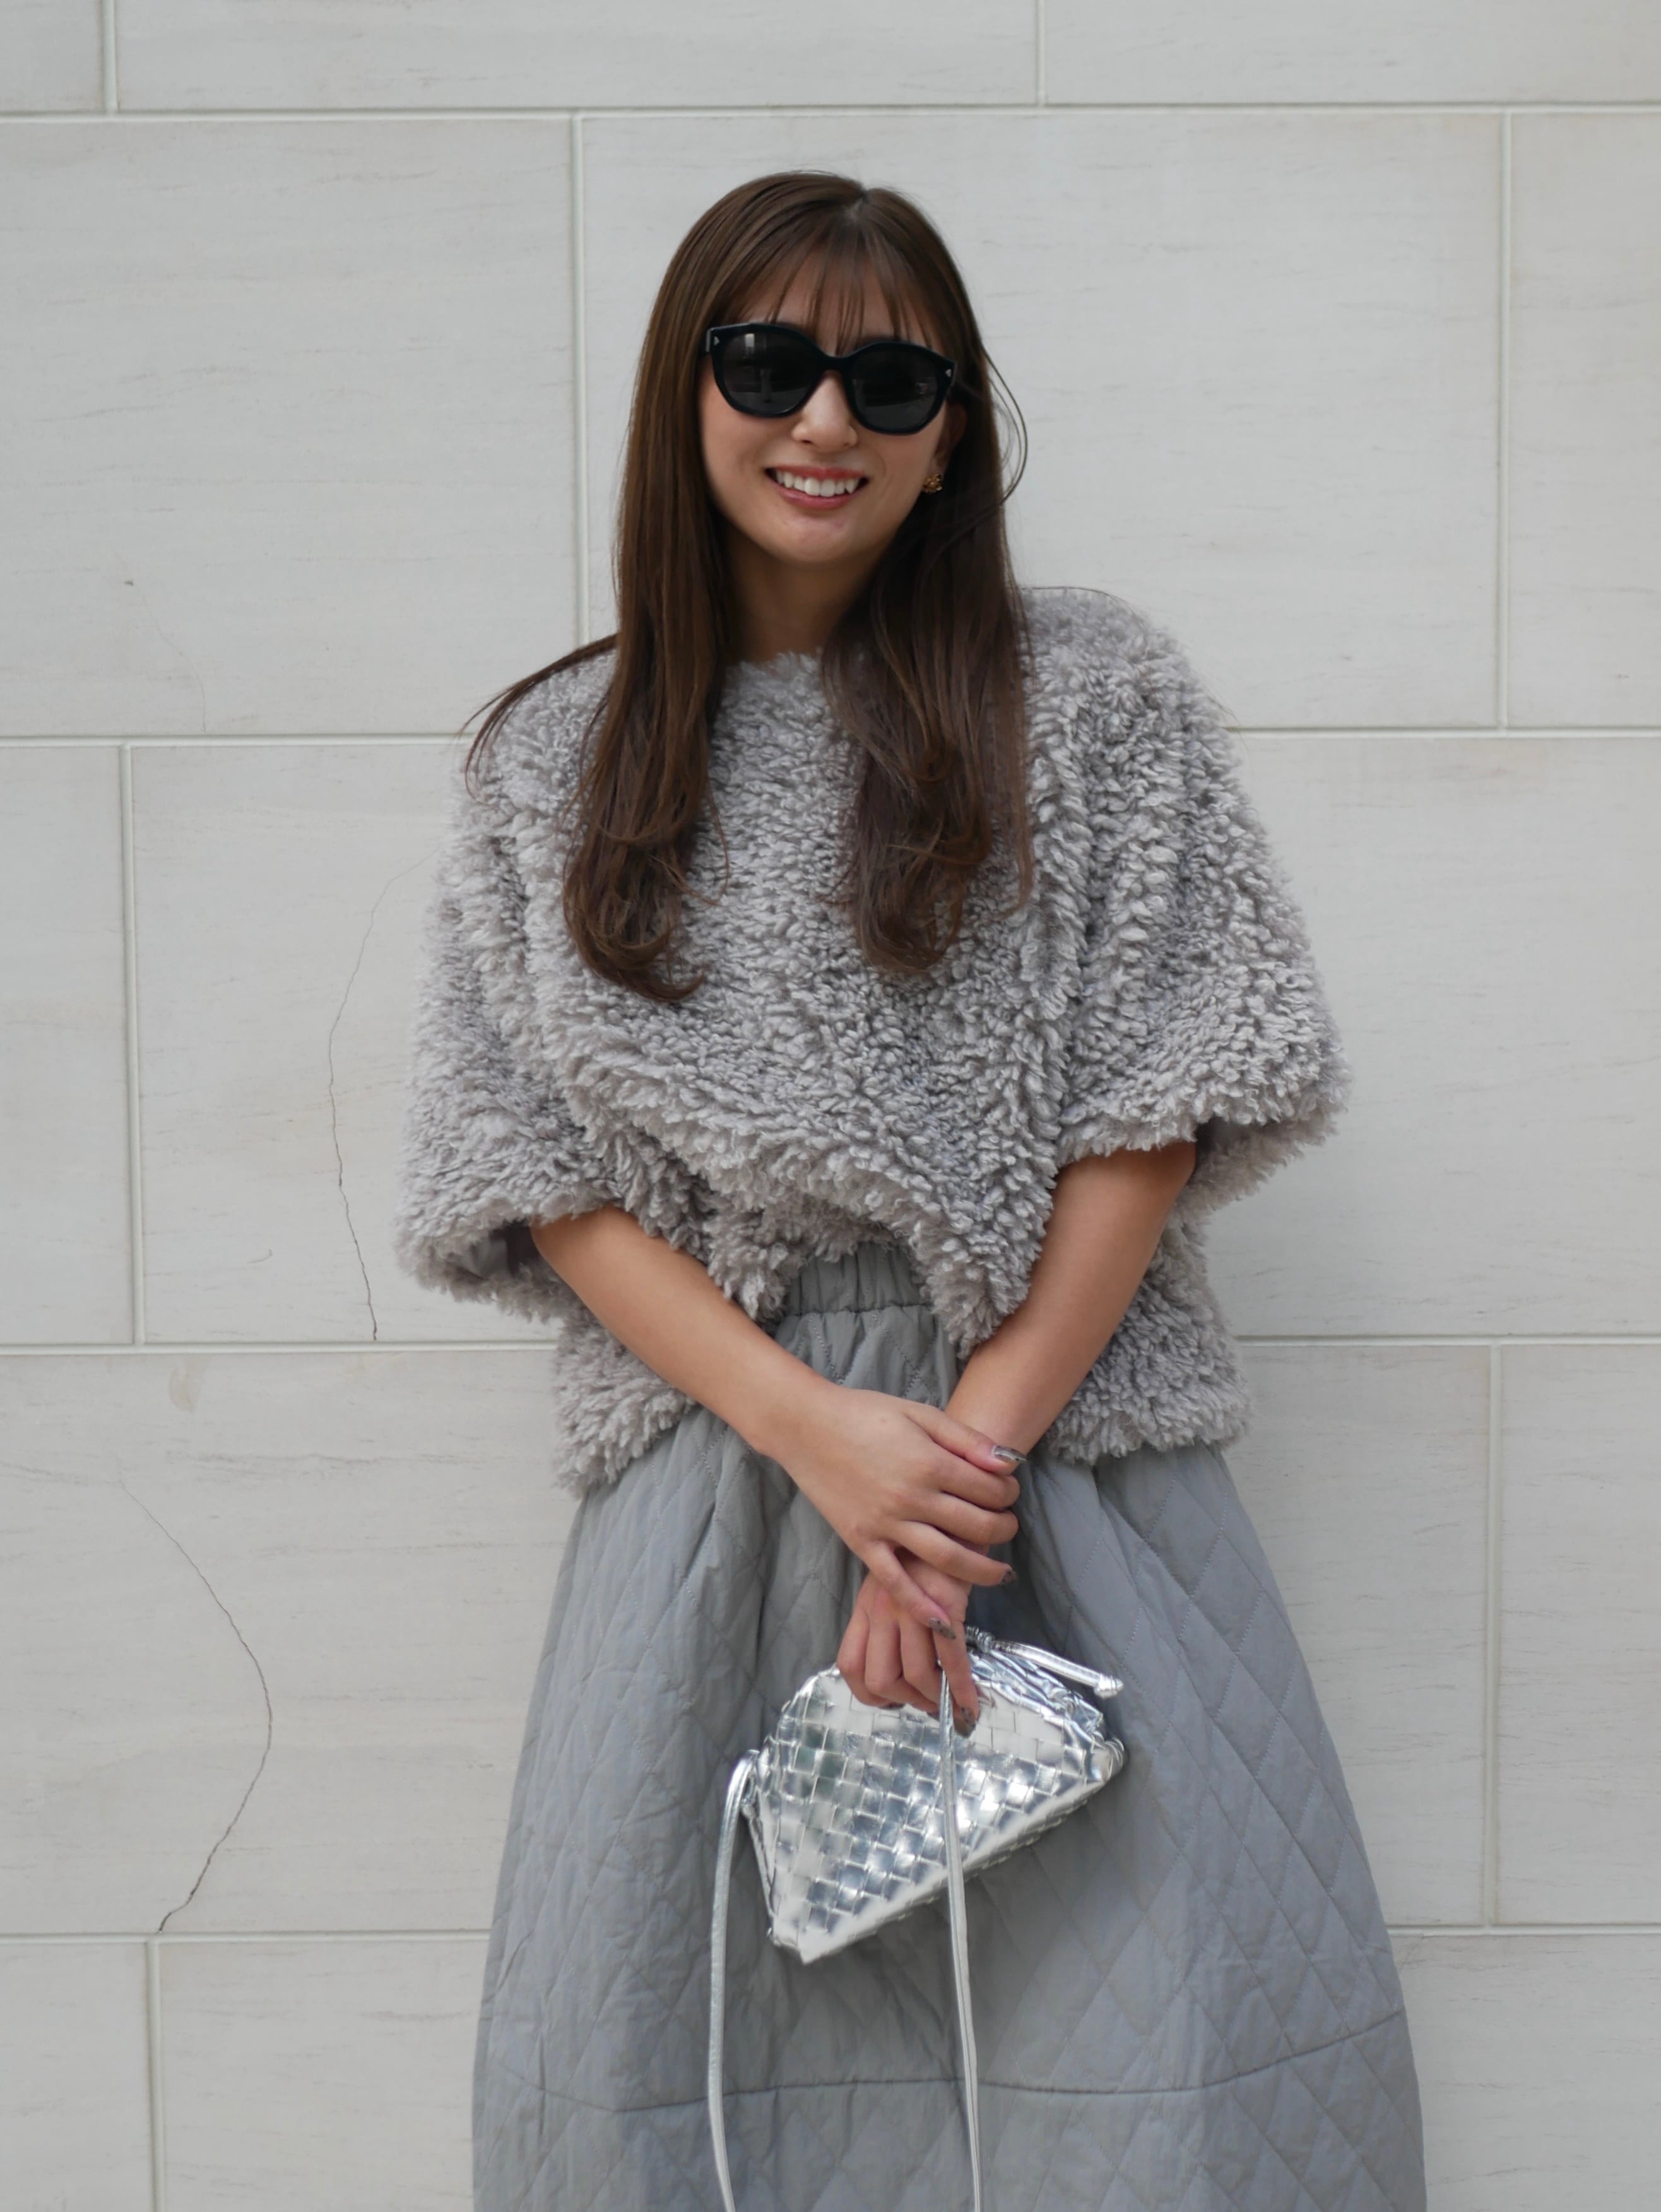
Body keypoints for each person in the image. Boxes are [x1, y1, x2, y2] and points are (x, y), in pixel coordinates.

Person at [393, 170, 1427, 2212]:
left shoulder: (1095, 701)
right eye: (770, 360)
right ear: (687, 391)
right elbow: (541, 1179)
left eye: (891, 380)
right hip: (713, 1491)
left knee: (1171, 2086)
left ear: (954, 430)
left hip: (1067, 1467)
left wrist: (953, 1475)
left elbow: (1157, 1101)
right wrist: (814, 1433)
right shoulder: (552, 760)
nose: (825, 419)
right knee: (657, 2086)